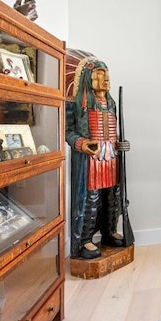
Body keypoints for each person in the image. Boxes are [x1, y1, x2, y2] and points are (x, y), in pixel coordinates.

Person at [65, 54, 125, 259]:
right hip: (91, 160)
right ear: (88, 79)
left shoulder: (111, 103)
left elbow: (113, 131)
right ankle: (85, 240)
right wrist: (82, 144)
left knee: (112, 196)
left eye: (107, 75)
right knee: (91, 199)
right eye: (100, 75)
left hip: (111, 157)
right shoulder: (76, 103)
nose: (105, 79)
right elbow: (68, 132)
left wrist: (120, 144)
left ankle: (109, 232)